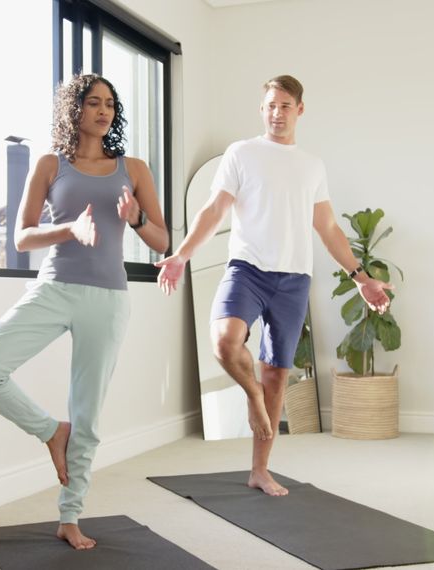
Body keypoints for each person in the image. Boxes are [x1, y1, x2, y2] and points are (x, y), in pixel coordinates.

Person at [155, 74, 391, 496]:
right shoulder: (242, 153)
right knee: (225, 342)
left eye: (284, 105)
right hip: (247, 269)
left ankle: (260, 470)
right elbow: (214, 209)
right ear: (261, 110)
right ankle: (252, 395)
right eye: (269, 105)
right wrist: (182, 254)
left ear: (299, 110)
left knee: (278, 376)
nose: (276, 113)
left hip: (294, 278)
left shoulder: (312, 165)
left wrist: (361, 278)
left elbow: (328, 227)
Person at [0, 74, 168, 549]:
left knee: (89, 414)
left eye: (110, 104)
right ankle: (52, 432)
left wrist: (135, 216)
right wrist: (70, 229)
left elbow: (162, 240)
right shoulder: (50, 165)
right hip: (55, 288)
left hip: (108, 298)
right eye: (93, 102)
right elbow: (21, 237)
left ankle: (70, 516)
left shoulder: (133, 168)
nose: (103, 110)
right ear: (72, 109)